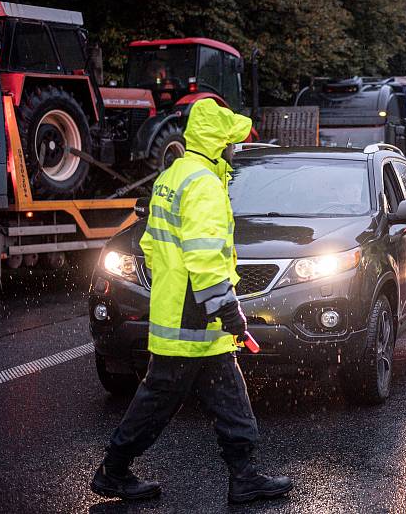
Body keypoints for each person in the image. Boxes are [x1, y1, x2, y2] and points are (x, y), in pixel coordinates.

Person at [90, 99, 293, 503]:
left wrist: (185, 289)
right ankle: (113, 470)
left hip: (181, 308)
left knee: (226, 392)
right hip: (194, 315)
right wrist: (227, 309)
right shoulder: (203, 185)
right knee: (159, 398)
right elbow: (203, 256)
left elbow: (151, 242)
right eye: (232, 140)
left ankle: (244, 475)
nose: (236, 148)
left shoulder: (174, 175)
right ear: (219, 143)